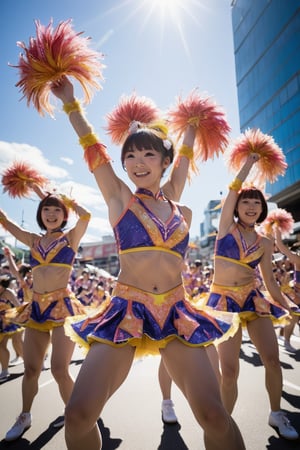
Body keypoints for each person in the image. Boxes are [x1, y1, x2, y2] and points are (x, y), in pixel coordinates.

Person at [51, 75, 245, 450]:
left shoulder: (176, 200)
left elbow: (185, 160)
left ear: (164, 161)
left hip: (177, 311)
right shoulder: (121, 199)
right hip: (126, 309)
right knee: (77, 417)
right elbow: (94, 152)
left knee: (214, 417)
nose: (138, 162)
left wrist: (191, 127)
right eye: (130, 155)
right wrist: (71, 103)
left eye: (148, 154)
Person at [204, 153, 299, 440]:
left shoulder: (265, 242)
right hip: (223, 303)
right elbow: (233, 191)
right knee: (230, 371)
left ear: (262, 210)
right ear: (236, 207)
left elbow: (269, 279)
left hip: (253, 300)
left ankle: (276, 413)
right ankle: (224, 423)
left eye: (256, 203)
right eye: (246, 202)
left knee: (271, 359)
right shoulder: (225, 228)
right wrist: (248, 164)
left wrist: (286, 305)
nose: (251, 206)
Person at [1, 184, 91, 441]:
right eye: (46, 210)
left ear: (64, 215)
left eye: (56, 210)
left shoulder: (71, 238)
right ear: (40, 215)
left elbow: (86, 216)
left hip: (62, 308)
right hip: (37, 309)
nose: (51, 214)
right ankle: (25, 415)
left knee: (59, 369)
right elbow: (6, 223)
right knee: (31, 369)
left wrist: (56, 197)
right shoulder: (33, 240)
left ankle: (73, 412)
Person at [273, 226, 300, 353]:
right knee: (293, 318)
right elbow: (282, 247)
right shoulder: (297, 258)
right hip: (296, 293)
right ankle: (286, 341)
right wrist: (277, 233)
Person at [0, 275, 24, 380]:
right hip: (1, 322)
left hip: (11, 321)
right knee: (1, 346)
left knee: (17, 343)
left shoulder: (8, 292)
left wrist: (18, 317)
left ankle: (31, 365)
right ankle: (5, 371)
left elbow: (18, 305)